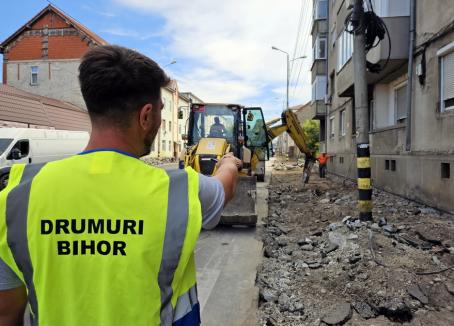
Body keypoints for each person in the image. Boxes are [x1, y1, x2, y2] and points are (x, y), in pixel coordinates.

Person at [0, 45, 242, 326]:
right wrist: (228, 164)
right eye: (161, 113)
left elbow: (7, 313)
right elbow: (224, 189)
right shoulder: (180, 190)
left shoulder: (17, 196)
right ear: (146, 116)